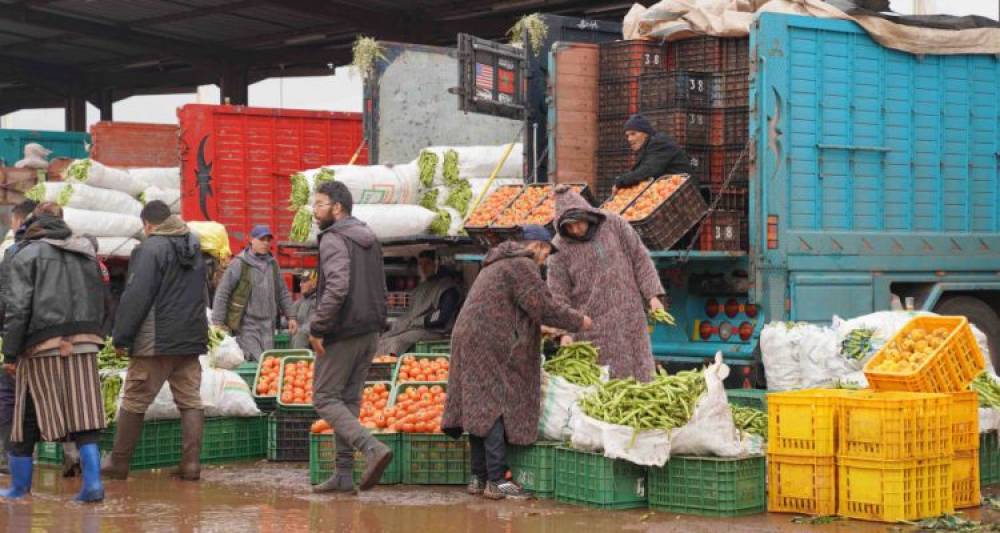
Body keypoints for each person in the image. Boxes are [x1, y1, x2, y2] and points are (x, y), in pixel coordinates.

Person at [442, 225, 592, 500]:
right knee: (494, 405)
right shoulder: (522, 264)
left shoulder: (497, 263)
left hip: (471, 336)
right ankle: (497, 480)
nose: (545, 260)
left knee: (479, 403)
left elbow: (510, 307)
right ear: (538, 246)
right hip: (488, 340)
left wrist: (541, 330)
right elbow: (542, 306)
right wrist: (578, 320)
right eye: (547, 253)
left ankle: (478, 477)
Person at [0, 202, 106, 502]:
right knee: (84, 413)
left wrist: (10, 353)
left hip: (42, 345)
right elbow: (103, 297)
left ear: (33, 225)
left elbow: (17, 308)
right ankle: (93, 485)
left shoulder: (26, 253)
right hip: (85, 342)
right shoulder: (85, 251)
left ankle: (19, 489)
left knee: (24, 417)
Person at [103, 201, 208, 481]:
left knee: (135, 399)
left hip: (156, 340)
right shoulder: (193, 245)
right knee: (190, 400)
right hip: (191, 337)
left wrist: (121, 336)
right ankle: (191, 464)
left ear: (148, 224)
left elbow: (136, 295)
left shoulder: (150, 249)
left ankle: (118, 462)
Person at [308, 181, 393, 494]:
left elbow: (337, 287)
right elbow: (381, 286)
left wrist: (317, 327)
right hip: (370, 329)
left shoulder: (334, 238)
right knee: (347, 400)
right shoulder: (368, 237)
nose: (315, 211)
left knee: (324, 397)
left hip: (343, 330)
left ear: (337, 207)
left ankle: (371, 448)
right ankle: (343, 474)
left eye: (319, 204)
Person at [547, 186, 666, 382]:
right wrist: (563, 333)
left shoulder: (614, 224)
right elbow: (558, 295)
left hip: (630, 318)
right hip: (593, 327)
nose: (576, 229)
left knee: (640, 376)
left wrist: (652, 295)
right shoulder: (559, 249)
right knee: (605, 384)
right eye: (570, 226)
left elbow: (640, 258)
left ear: (587, 214)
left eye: (579, 223)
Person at [211, 225, 297, 361]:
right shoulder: (240, 263)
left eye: (268, 240)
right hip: (247, 325)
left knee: (268, 363)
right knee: (258, 359)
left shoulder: (272, 264)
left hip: (269, 325)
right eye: (261, 239)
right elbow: (223, 292)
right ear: (251, 240)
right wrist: (217, 322)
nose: (265, 243)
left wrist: (291, 316)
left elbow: (282, 292)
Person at [0, 199, 37, 475]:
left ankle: (9, 458)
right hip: (58, 339)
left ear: (18, 220)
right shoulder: (76, 249)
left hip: (20, 335)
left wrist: (9, 349)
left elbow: (11, 302)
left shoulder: (13, 252)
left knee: (10, 396)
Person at [377, 250, 462, 355]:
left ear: (437, 264)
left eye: (427, 264)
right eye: (421, 264)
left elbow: (442, 316)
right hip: (412, 327)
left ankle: (389, 367)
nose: (423, 268)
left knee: (397, 342)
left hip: (434, 331)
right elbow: (412, 312)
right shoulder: (421, 287)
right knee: (383, 339)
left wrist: (422, 321)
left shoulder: (448, 288)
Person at [614, 114, 693, 188]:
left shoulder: (659, 143)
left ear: (646, 133)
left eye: (633, 134)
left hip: (682, 191)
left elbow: (647, 170)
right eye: (627, 135)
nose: (629, 139)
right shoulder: (648, 147)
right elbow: (639, 171)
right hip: (665, 190)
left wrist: (620, 182)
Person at [290, 270, 317, 350]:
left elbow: (312, 325)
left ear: (314, 283)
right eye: (301, 281)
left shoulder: (317, 300)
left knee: (301, 334)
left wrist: (299, 331)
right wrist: (292, 318)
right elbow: (292, 308)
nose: (300, 284)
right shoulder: (303, 299)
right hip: (299, 342)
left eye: (304, 282)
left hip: (310, 348)